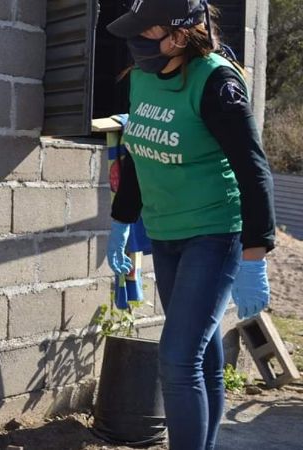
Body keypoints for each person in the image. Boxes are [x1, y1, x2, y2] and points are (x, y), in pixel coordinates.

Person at [106, 1, 275, 449]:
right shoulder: (142, 78)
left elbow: (253, 168)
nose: (136, 41)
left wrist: (255, 252)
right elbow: (137, 151)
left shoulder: (216, 82)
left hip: (214, 232)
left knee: (178, 360)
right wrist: (122, 221)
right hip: (166, 233)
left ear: (180, 35)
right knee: (201, 360)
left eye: (147, 31)